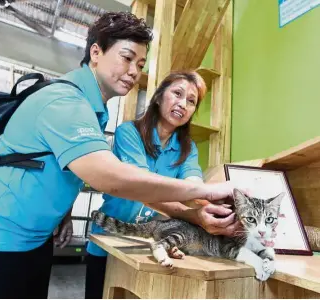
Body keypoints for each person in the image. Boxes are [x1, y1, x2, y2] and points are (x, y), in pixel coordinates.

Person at [0, 12, 242, 299]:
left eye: (140, 64)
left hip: (35, 238)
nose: (133, 71)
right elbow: (109, 177)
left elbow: (67, 168)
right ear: (96, 52)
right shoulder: (66, 101)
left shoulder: (95, 111)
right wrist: (205, 190)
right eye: (126, 58)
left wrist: (64, 214)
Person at [85, 71, 240, 299]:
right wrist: (196, 215)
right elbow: (142, 189)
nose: (183, 104)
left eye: (191, 101)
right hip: (111, 236)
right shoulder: (129, 133)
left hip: (151, 242)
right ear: (158, 97)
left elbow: (193, 183)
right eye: (177, 93)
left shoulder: (187, 148)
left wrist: (215, 204)